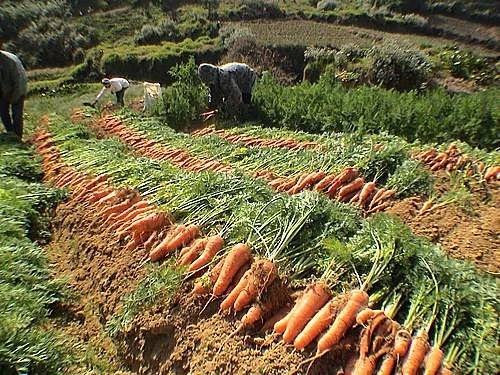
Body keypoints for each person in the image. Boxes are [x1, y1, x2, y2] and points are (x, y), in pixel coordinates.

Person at [0, 48, 28, 140]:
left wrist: (14, 97)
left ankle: (18, 137)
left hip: (18, 88)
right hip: (3, 90)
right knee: (3, 113)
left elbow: (18, 81)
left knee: (17, 115)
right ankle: (11, 135)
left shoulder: (10, 62)